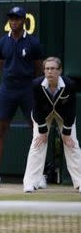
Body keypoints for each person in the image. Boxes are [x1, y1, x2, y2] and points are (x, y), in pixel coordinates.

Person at [0, 6, 44, 188]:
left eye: (17, 18)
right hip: (7, 91)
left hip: (28, 90)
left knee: (37, 131)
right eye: (11, 18)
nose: (13, 21)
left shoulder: (34, 43)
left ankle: (38, 175)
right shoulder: (1, 43)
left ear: (23, 21)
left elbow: (38, 69)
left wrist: (29, 85)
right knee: (0, 130)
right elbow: (1, 66)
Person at [23, 57, 81, 193]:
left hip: (65, 116)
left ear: (60, 71)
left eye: (54, 69)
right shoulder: (36, 85)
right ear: (44, 71)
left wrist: (66, 134)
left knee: (72, 144)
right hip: (42, 116)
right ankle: (30, 183)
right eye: (47, 69)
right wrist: (42, 131)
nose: (50, 72)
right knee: (38, 143)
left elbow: (71, 110)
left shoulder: (69, 85)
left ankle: (79, 182)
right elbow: (36, 110)